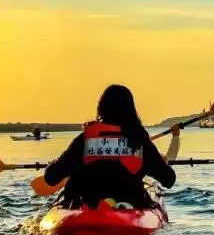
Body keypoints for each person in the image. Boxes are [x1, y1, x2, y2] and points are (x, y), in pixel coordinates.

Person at [42, 84, 180, 210]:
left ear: (101, 108)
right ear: (130, 110)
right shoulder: (138, 140)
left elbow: (51, 177)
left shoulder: (85, 140)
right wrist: (163, 164)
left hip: (85, 206)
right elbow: (168, 179)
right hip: (129, 206)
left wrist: (52, 164)